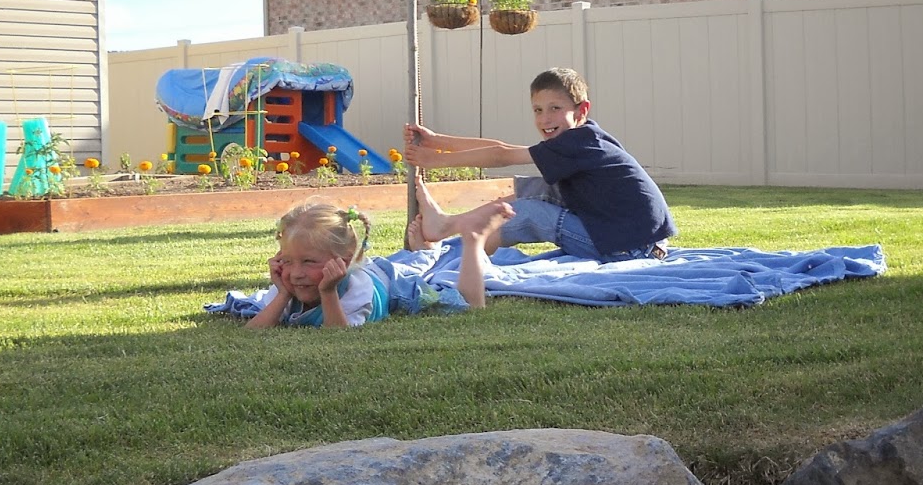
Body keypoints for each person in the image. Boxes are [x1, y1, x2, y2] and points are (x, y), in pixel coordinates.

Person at [403, 66, 674, 262]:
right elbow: (504, 147)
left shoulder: (579, 143)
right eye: (538, 110)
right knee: (538, 187)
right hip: (633, 241)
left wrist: (436, 159)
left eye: (555, 108)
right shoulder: (583, 140)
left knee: (528, 213)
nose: (545, 119)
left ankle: (444, 251)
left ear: (581, 111)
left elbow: (502, 155)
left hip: (633, 251)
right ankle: (447, 231)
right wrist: (437, 141)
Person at [243, 198, 513, 329]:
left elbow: (337, 336)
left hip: (391, 288)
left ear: (343, 261)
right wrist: (283, 294)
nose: (296, 273)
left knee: (464, 305)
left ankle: (473, 239)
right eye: (287, 261)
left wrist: (328, 292)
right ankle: (423, 252)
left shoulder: (356, 289)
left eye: (308, 261)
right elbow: (253, 332)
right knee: (405, 263)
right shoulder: (289, 283)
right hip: (376, 269)